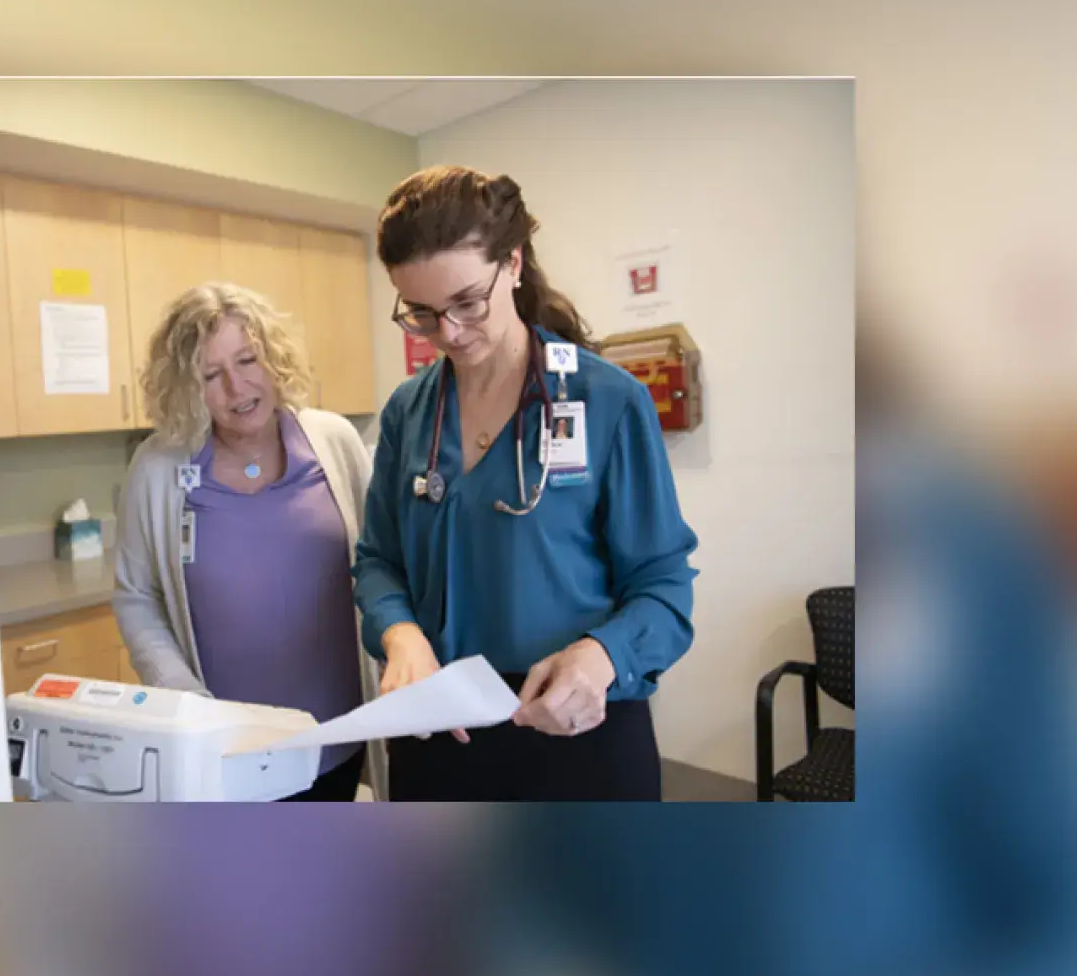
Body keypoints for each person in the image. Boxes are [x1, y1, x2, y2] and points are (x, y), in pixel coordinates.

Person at [353, 165, 700, 801]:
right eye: (423, 315)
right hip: (440, 729)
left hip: (576, 728)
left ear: (512, 263)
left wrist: (602, 656)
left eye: (466, 303)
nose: (448, 334)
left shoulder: (607, 401)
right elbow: (378, 562)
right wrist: (400, 636)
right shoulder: (409, 412)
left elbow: (664, 589)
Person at [113, 282, 387, 801]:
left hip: (335, 734)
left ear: (274, 357)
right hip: (225, 750)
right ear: (187, 387)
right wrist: (183, 694)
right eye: (211, 375)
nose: (237, 390)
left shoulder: (333, 441)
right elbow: (135, 594)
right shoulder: (159, 467)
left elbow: (382, 562)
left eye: (248, 360)